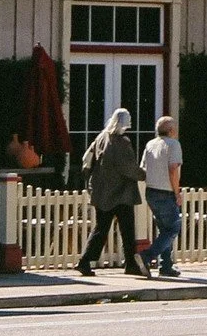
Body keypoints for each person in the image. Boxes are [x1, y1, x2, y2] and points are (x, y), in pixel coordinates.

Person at [77, 108, 148, 277]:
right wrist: (144, 174)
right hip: (121, 192)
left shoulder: (101, 138)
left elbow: (87, 159)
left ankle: (85, 261)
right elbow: (127, 167)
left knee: (101, 228)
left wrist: (91, 181)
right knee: (127, 230)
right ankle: (130, 264)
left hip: (101, 191)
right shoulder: (122, 142)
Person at [139, 115, 183, 278]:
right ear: (171, 130)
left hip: (151, 191)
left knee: (164, 229)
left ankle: (166, 265)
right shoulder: (173, 144)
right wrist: (177, 193)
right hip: (166, 192)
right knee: (173, 228)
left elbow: (143, 168)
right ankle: (147, 256)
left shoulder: (150, 144)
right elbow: (173, 169)